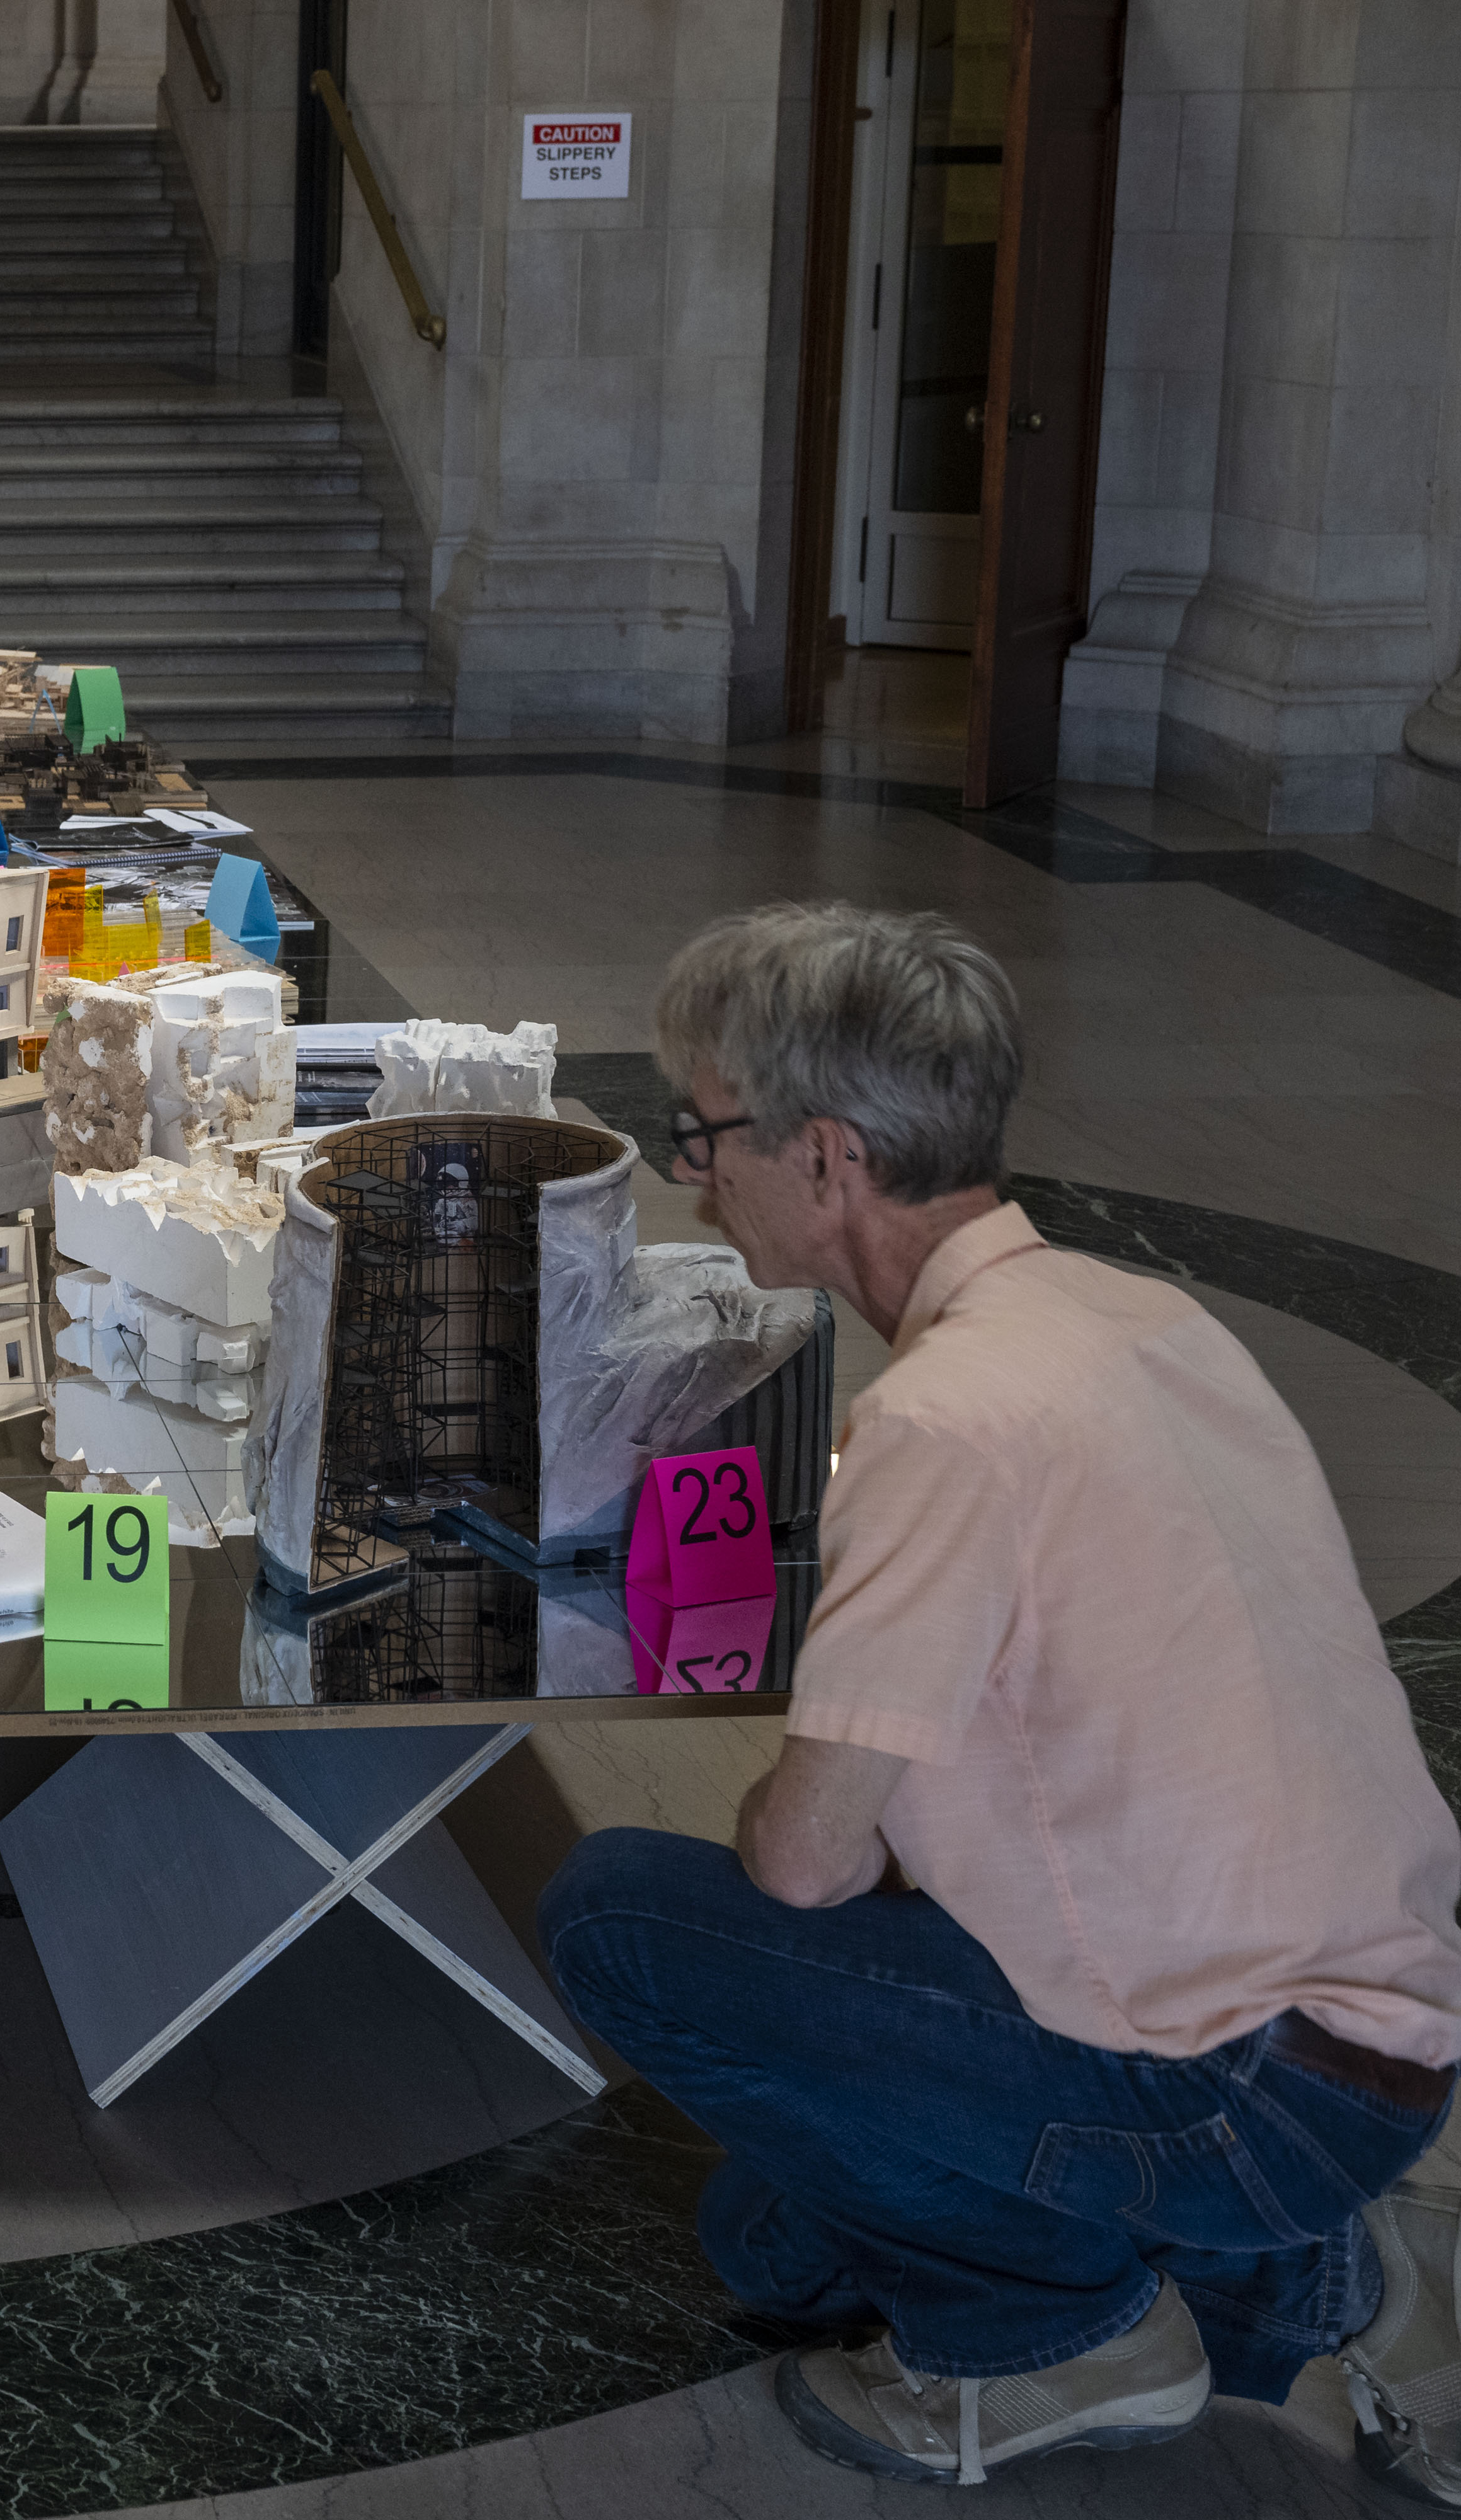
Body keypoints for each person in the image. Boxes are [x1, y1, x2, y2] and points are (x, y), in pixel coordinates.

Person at [537, 902, 1461, 2496]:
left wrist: (801, 1757)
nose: (698, 1172)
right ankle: (1326, 2282)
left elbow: (808, 1864)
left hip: (1237, 2082)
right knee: (769, 2238)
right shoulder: (1142, 1316)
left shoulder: (948, 1418)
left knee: (621, 1911)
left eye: (704, 1135)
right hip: (1379, 2043)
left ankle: (1063, 2341)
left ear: (824, 1157)